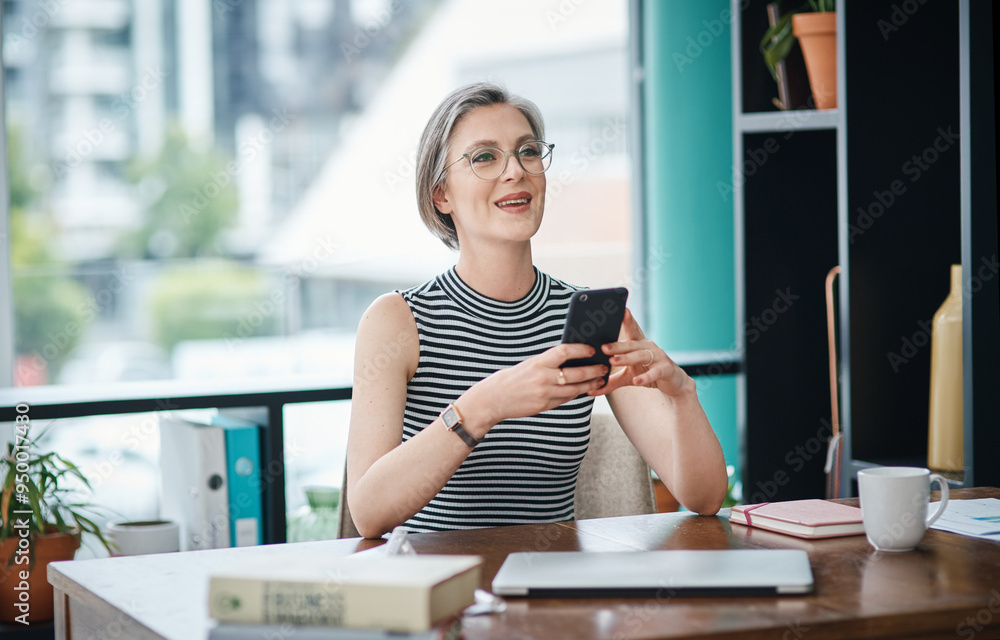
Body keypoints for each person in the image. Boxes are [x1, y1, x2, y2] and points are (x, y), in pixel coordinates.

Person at [347, 82, 727, 538]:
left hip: (554, 596)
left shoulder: (588, 316)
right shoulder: (396, 321)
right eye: (484, 157)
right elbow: (368, 512)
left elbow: (704, 497)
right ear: (441, 195)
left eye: (527, 151)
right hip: (440, 593)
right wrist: (486, 405)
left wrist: (682, 393)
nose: (516, 172)